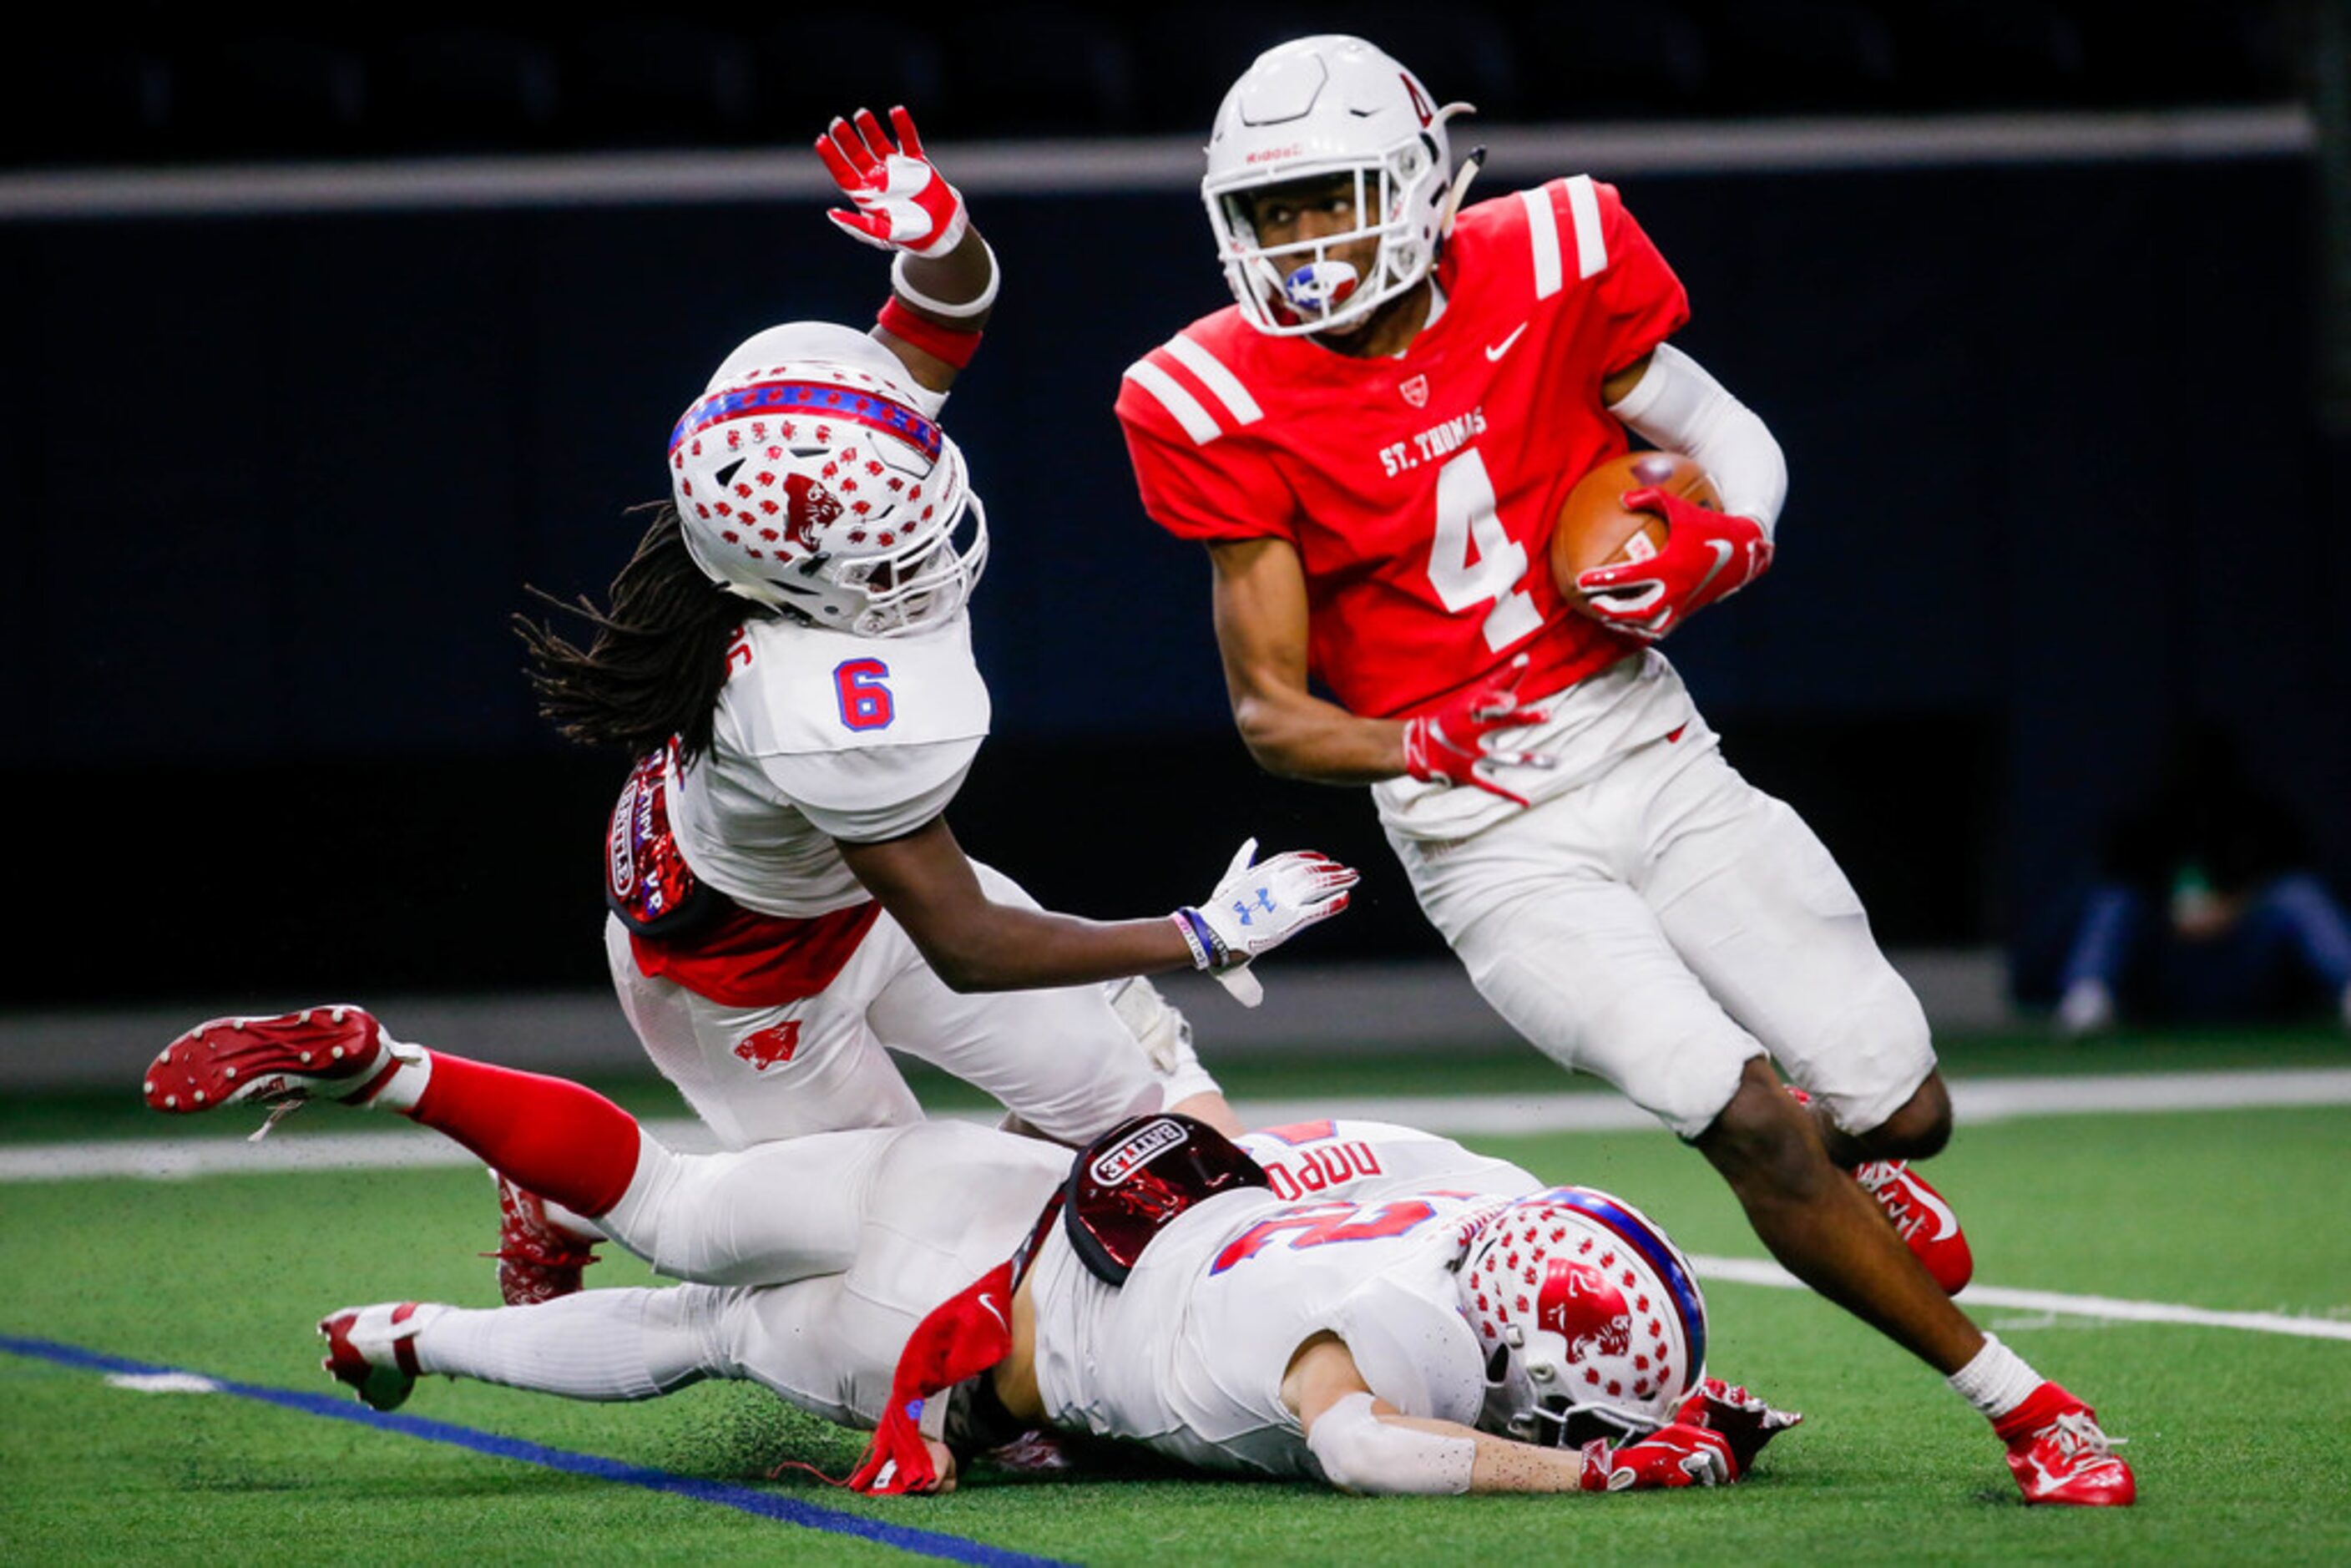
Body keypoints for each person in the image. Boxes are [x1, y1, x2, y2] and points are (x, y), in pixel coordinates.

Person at [1110, 35, 2131, 1505]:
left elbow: (1725, 438)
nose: (1301, 242)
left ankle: (1870, 1158)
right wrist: (1418, 736)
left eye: (1326, 198)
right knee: (1745, 1121)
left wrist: (1726, 548)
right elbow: (1273, 713)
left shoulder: (1557, 252)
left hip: (1648, 744)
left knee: (1901, 1108)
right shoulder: (1208, 393)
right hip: (1480, 831)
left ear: (1410, 182)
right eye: (1269, 213)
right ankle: (2027, 1405)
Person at [499, 107, 1358, 1298]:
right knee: (861, 1252)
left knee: (1126, 1109)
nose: (921, 525)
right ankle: (560, 1185)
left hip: (847, 893)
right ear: (797, 587)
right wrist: (1199, 933)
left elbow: (943, 314)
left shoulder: (813, 475)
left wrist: (939, 234)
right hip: (747, 977)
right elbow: (966, 941)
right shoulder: (810, 701)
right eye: (890, 542)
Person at [143, 1004, 1810, 1498]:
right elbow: (1377, 1441)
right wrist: (1586, 1479)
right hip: (963, 1321)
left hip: (981, 1184)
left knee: (665, 1196)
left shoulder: (1453, 1186)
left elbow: (1232, 1133)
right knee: (697, 1333)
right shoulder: (1389, 1339)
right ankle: (409, 1336)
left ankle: (398, 1068)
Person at [2050, 718, 2351, 1036]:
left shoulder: (2262, 817)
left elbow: (2284, 873)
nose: (2198, 775)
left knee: (2297, 894)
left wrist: (2231, 910)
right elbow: (2127, 883)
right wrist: (2173, 916)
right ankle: (2087, 997)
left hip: (2243, 959)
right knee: (2114, 901)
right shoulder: (2145, 823)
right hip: (2173, 963)